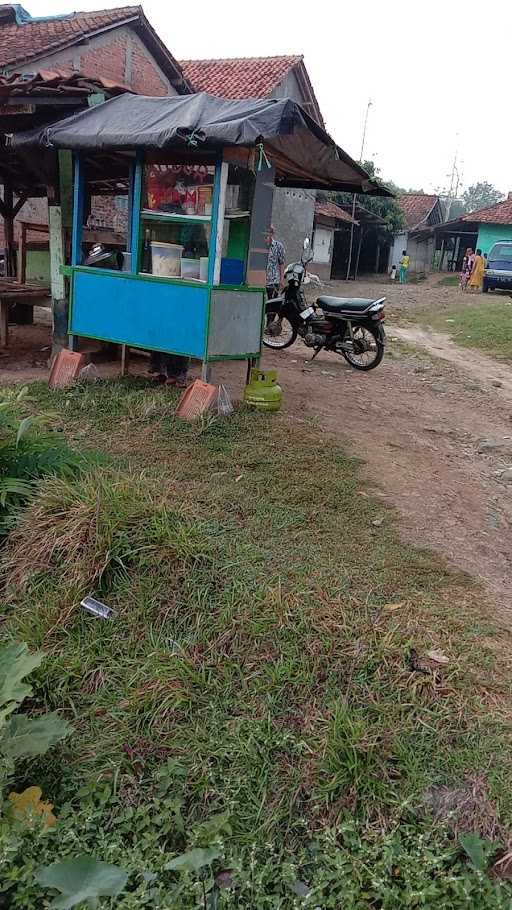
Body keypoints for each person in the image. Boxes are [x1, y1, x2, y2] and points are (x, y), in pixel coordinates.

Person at [265, 226, 285, 299]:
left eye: (269, 232)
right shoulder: (260, 245)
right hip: (261, 280)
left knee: (272, 303)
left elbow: (281, 263)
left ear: (272, 234)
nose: (267, 234)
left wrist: (281, 280)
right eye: (266, 232)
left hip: (273, 281)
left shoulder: (278, 246)